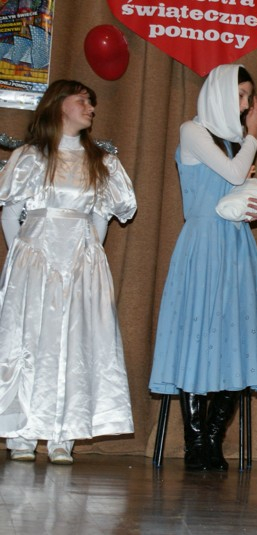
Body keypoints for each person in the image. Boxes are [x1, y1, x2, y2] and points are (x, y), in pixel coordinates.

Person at [148, 64, 257, 472]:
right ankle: (195, 442)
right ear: (219, 92)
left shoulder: (237, 143)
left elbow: (244, 195)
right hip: (204, 244)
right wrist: (254, 134)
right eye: (240, 95)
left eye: (248, 98)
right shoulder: (192, 130)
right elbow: (231, 173)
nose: (245, 105)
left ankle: (213, 436)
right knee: (197, 337)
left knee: (236, 341)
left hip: (238, 248)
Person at [0, 79, 137, 465]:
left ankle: (64, 435)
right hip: (34, 260)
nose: (91, 108)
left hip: (80, 261)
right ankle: (23, 434)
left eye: (92, 103)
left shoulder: (102, 162)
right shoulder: (30, 157)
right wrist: (22, 258)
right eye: (83, 101)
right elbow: (11, 214)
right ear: (60, 105)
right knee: (30, 341)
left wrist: (87, 257)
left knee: (75, 344)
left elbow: (101, 217)